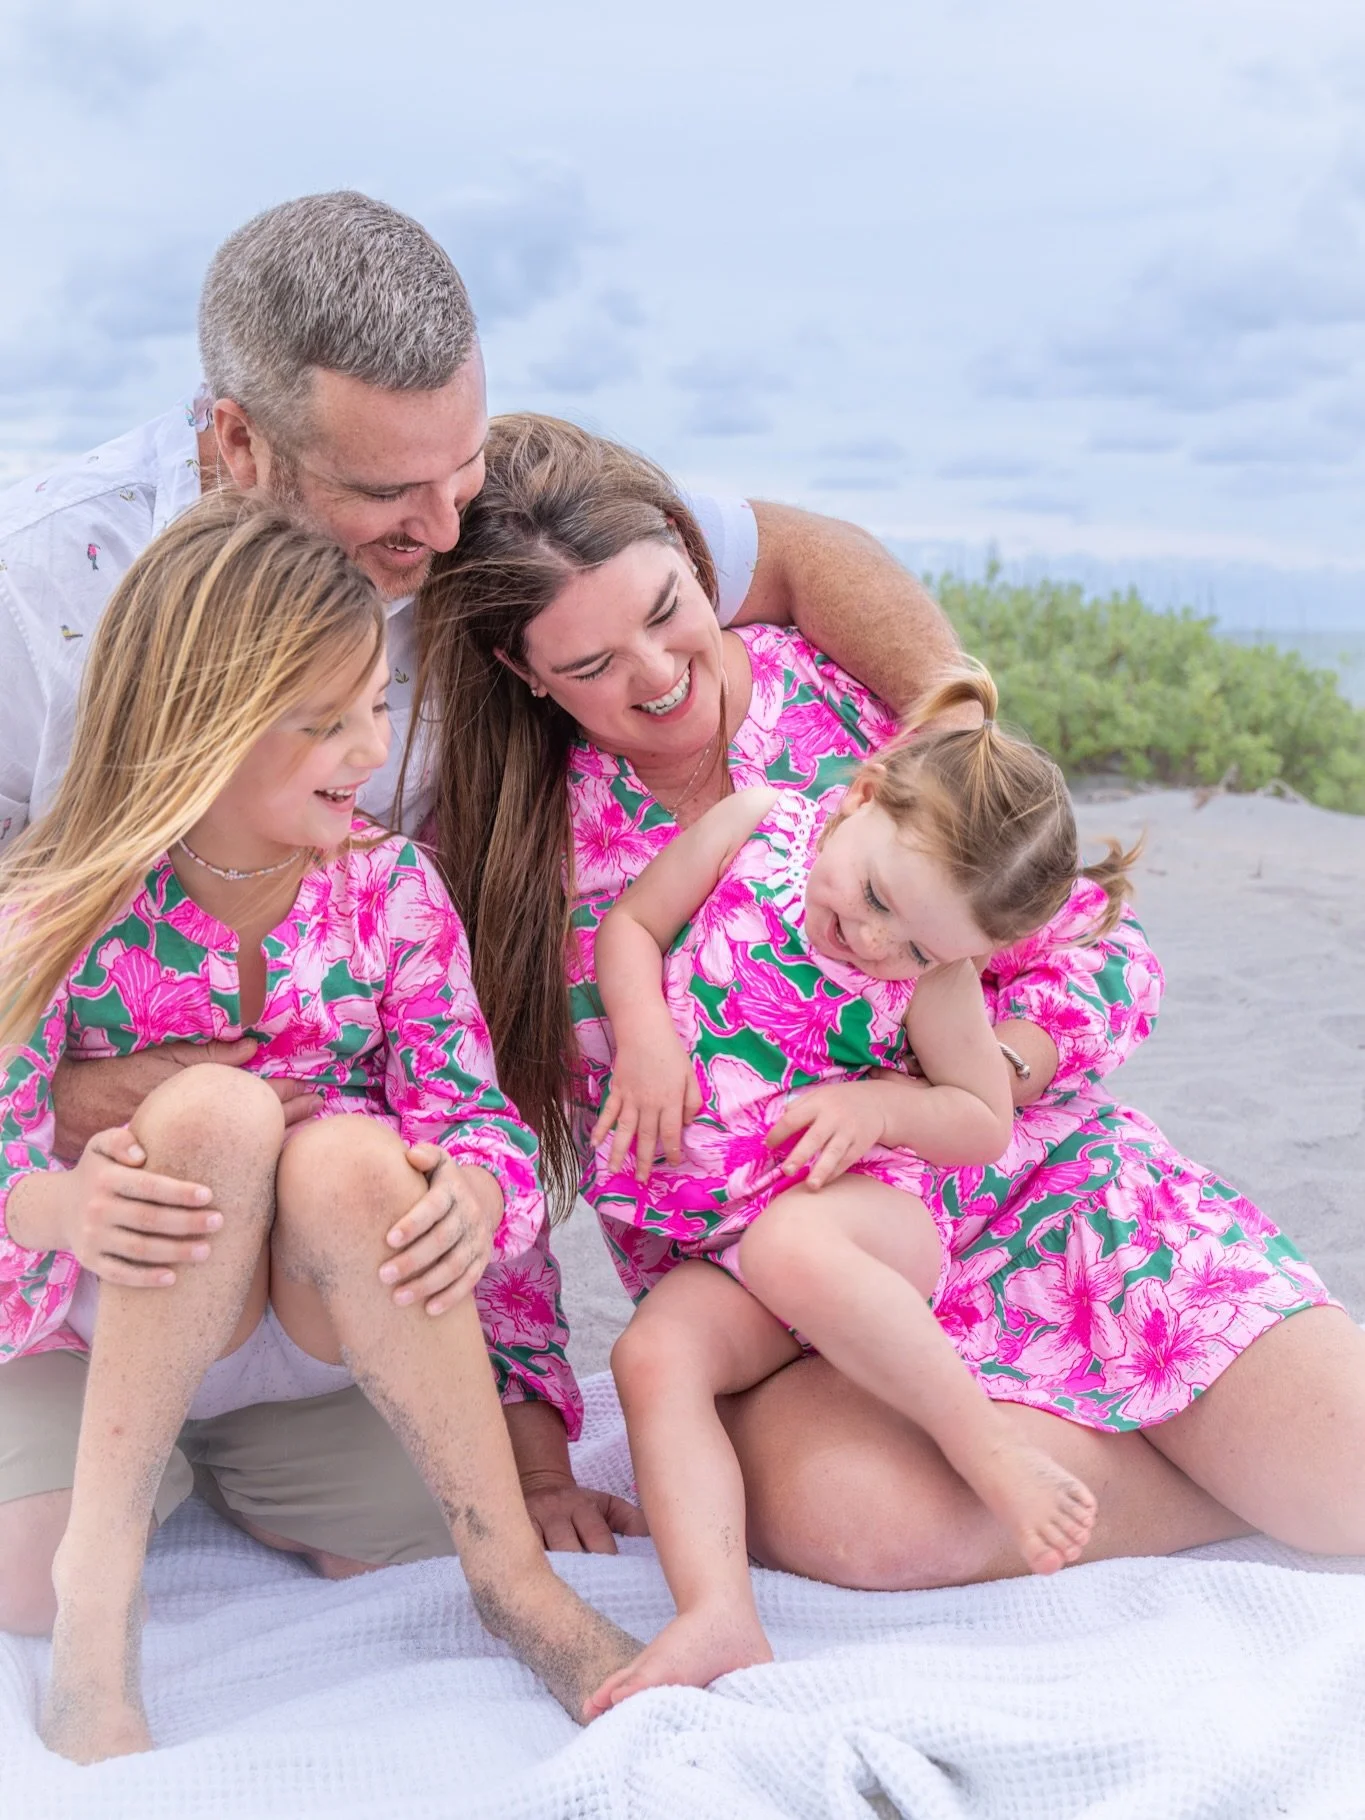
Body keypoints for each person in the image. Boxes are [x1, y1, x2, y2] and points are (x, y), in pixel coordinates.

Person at [0, 190, 960, 1548]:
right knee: (32, 1570)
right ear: (239, 443)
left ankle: (263, 1416)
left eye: (454, 474)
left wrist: (957, 730)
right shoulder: (36, 593)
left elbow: (800, 554)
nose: (445, 531)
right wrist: (72, 1098)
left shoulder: (477, 512)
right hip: (94, 1198)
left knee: (398, 1522)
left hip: (338, 1207)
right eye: (390, 495)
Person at [415, 410, 1365, 1594]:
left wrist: (962, 1083)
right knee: (865, 1521)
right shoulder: (513, 861)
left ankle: (1227, 1464)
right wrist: (538, 1452)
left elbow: (1110, 958)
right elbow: (481, 1142)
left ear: (688, 549)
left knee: (1345, 1479)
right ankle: (1161, 1478)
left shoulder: (858, 715)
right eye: (591, 666)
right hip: (785, 1298)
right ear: (522, 672)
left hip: (1027, 1190)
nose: (656, 677)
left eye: (665, 612)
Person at [0, 493, 638, 1763]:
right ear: (202, 722)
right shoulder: (60, 905)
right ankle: (102, 1573)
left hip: (300, 1327)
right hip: (102, 1313)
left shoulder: (393, 892)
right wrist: (63, 1203)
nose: (365, 746)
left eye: (374, 707)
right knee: (214, 1114)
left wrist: (473, 1189)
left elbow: (481, 1117)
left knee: (353, 1156)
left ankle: (509, 1579)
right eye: (319, 721)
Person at [582, 668, 1138, 1711]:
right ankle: (718, 1611)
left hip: (859, 1221)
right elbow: (631, 929)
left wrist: (881, 1106)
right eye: (877, 897)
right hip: (726, 1245)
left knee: (795, 1242)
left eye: (921, 944)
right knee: (652, 1352)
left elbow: (980, 1117)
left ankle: (990, 1449)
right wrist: (646, 1037)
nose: (877, 942)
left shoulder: (928, 980)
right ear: (858, 793)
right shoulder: (755, 827)